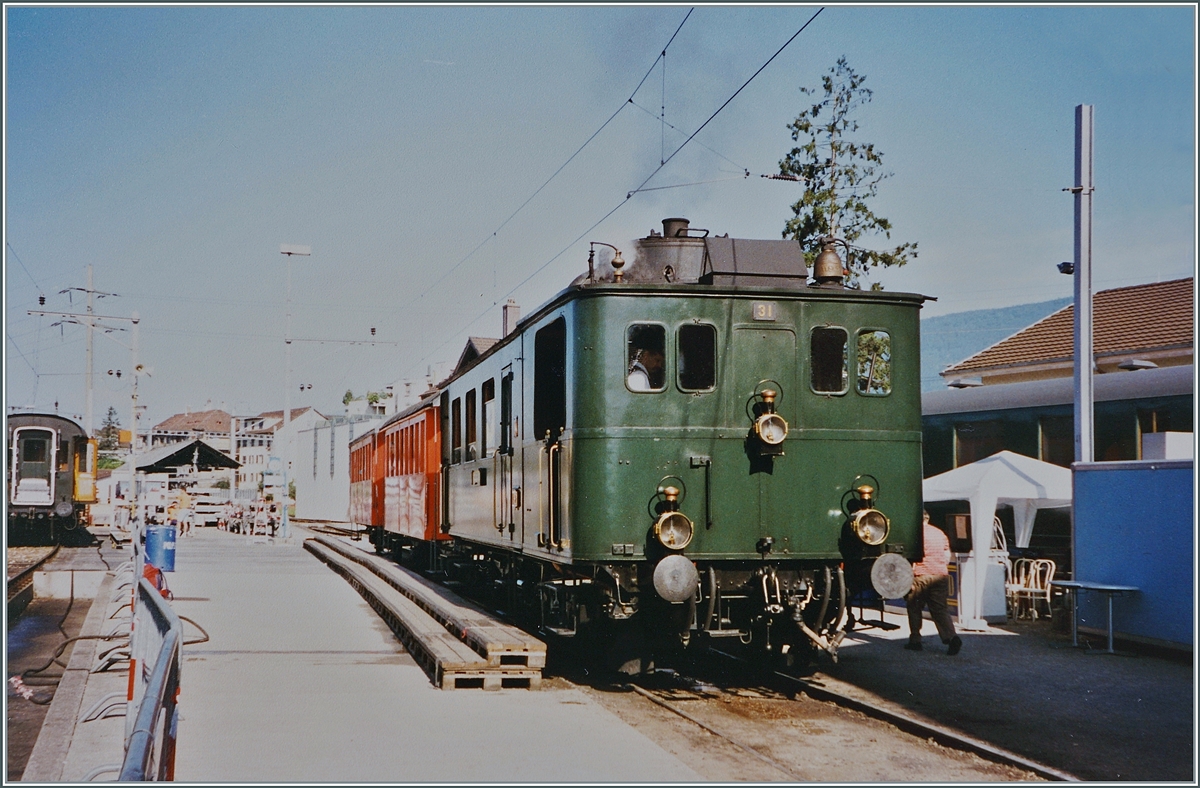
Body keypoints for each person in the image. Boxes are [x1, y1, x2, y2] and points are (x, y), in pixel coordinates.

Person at [905, 511, 963, 655]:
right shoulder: (940, 533)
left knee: (914, 607)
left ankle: (915, 640)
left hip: (920, 575)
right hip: (940, 574)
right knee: (940, 609)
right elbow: (946, 555)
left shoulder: (915, 533)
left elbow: (910, 556)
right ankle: (951, 637)